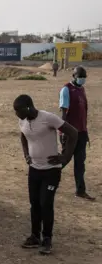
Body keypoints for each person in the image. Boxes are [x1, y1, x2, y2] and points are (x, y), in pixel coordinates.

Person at [14, 94, 77, 255]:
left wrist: (65, 156)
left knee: (45, 204)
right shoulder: (23, 121)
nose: (16, 114)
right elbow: (23, 135)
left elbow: (73, 133)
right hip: (34, 169)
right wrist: (26, 154)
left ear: (28, 107)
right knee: (34, 203)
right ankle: (35, 236)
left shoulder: (48, 118)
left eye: (18, 110)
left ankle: (47, 238)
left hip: (51, 171)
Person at [59, 66, 93, 200]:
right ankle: (46, 179)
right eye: (80, 76)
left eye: (84, 77)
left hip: (82, 132)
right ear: (73, 76)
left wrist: (85, 132)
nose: (82, 79)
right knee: (64, 159)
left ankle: (80, 190)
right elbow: (63, 112)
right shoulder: (66, 89)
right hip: (70, 132)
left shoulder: (82, 90)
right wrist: (62, 132)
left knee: (80, 163)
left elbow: (83, 114)